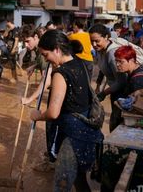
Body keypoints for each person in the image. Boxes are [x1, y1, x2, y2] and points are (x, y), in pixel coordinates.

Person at [30, 30, 103, 191]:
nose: (45, 59)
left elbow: (53, 112)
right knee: (79, 179)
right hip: (88, 130)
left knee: (62, 183)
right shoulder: (79, 62)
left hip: (73, 135)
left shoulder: (60, 73)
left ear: (57, 49)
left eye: (45, 54)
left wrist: (37, 116)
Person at [20, 25, 55, 172]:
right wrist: (34, 66)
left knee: (52, 125)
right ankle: (51, 156)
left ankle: (52, 161)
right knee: (51, 125)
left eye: (28, 41)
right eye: (24, 42)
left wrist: (29, 98)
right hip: (56, 89)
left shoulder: (42, 52)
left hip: (58, 90)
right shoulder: (40, 51)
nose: (26, 45)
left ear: (36, 37)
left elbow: (46, 81)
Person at [89, 24, 128, 132]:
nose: (94, 44)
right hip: (115, 90)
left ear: (106, 37)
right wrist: (98, 85)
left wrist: (103, 93)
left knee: (118, 124)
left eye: (97, 41)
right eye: (91, 41)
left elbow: (121, 82)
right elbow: (103, 69)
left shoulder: (112, 53)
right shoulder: (100, 50)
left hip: (124, 93)